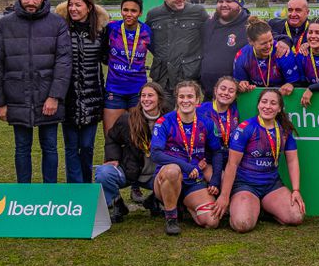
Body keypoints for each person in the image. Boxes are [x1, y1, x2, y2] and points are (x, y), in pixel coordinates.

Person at [0, 0, 71, 184]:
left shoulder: (57, 23)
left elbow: (63, 63)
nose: (31, 1)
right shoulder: (4, 24)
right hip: (17, 99)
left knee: (50, 147)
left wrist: (55, 96)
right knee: (22, 148)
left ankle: (48, 192)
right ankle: (24, 194)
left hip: (48, 101)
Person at [214, 88, 305, 232]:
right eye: (264, 102)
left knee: (296, 217)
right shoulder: (246, 128)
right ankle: (241, 206)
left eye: (273, 103)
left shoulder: (284, 131)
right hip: (245, 185)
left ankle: (266, 208)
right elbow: (232, 164)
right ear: (258, 105)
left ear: (280, 108)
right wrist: (224, 196)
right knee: (243, 224)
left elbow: (292, 161)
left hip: (271, 185)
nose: (267, 106)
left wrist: (296, 190)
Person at [150, 80, 224, 235]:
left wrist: (216, 179)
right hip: (169, 178)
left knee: (211, 221)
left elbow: (217, 151)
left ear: (197, 100)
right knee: (172, 171)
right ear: (176, 99)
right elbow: (155, 153)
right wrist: (186, 166)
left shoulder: (206, 123)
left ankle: (184, 205)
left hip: (193, 180)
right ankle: (171, 217)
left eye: (190, 96)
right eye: (181, 97)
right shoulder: (165, 121)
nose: (185, 101)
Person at [94, 81, 170, 223]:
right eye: (143, 95)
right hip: (130, 170)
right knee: (104, 173)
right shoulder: (128, 118)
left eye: (150, 96)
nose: (146, 99)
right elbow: (112, 138)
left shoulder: (169, 120)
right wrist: (112, 157)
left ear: (159, 98)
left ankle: (154, 200)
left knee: (176, 176)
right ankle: (118, 204)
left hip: (156, 175)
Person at [56, 0, 108, 183]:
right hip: (68, 99)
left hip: (92, 98)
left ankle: (86, 186)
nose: (73, 8)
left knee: (87, 146)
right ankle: (74, 189)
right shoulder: (61, 31)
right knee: (71, 147)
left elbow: (106, 58)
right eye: (71, 5)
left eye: (78, 5)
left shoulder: (100, 32)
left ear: (89, 7)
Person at [146, 0, 208, 94]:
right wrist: (162, 55)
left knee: (189, 111)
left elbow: (209, 38)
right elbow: (148, 41)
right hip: (162, 79)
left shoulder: (198, 12)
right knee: (163, 112)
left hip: (189, 78)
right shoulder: (153, 15)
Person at [101, 0, 151, 134]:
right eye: (125, 10)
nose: (129, 14)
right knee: (111, 138)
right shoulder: (111, 28)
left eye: (133, 11)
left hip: (138, 91)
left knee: (138, 138)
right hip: (114, 91)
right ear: (121, 10)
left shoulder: (147, 31)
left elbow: (160, 53)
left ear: (140, 13)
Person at [200, 0, 251, 100]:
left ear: (239, 4)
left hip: (238, 95)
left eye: (229, 1)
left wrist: (283, 41)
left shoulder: (250, 25)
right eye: (220, 1)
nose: (224, 4)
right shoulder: (208, 25)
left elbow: (269, 36)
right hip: (209, 94)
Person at [232, 17, 299, 95]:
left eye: (270, 40)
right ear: (250, 41)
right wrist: (242, 85)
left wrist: (291, 85)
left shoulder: (282, 52)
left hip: (281, 96)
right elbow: (239, 82)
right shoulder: (242, 55)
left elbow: (296, 82)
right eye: (263, 43)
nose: (268, 46)